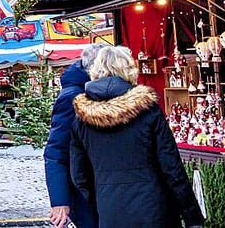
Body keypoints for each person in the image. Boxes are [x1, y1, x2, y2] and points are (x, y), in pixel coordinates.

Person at [71, 46, 204, 228]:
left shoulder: (82, 119)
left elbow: (79, 175)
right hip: (155, 209)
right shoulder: (147, 110)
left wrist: (100, 201)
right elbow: (171, 167)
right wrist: (192, 216)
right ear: (128, 69)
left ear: (95, 71)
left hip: (110, 211)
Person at [44, 44, 105, 228]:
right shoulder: (74, 96)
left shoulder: (91, 91)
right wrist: (60, 201)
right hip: (84, 190)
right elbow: (56, 152)